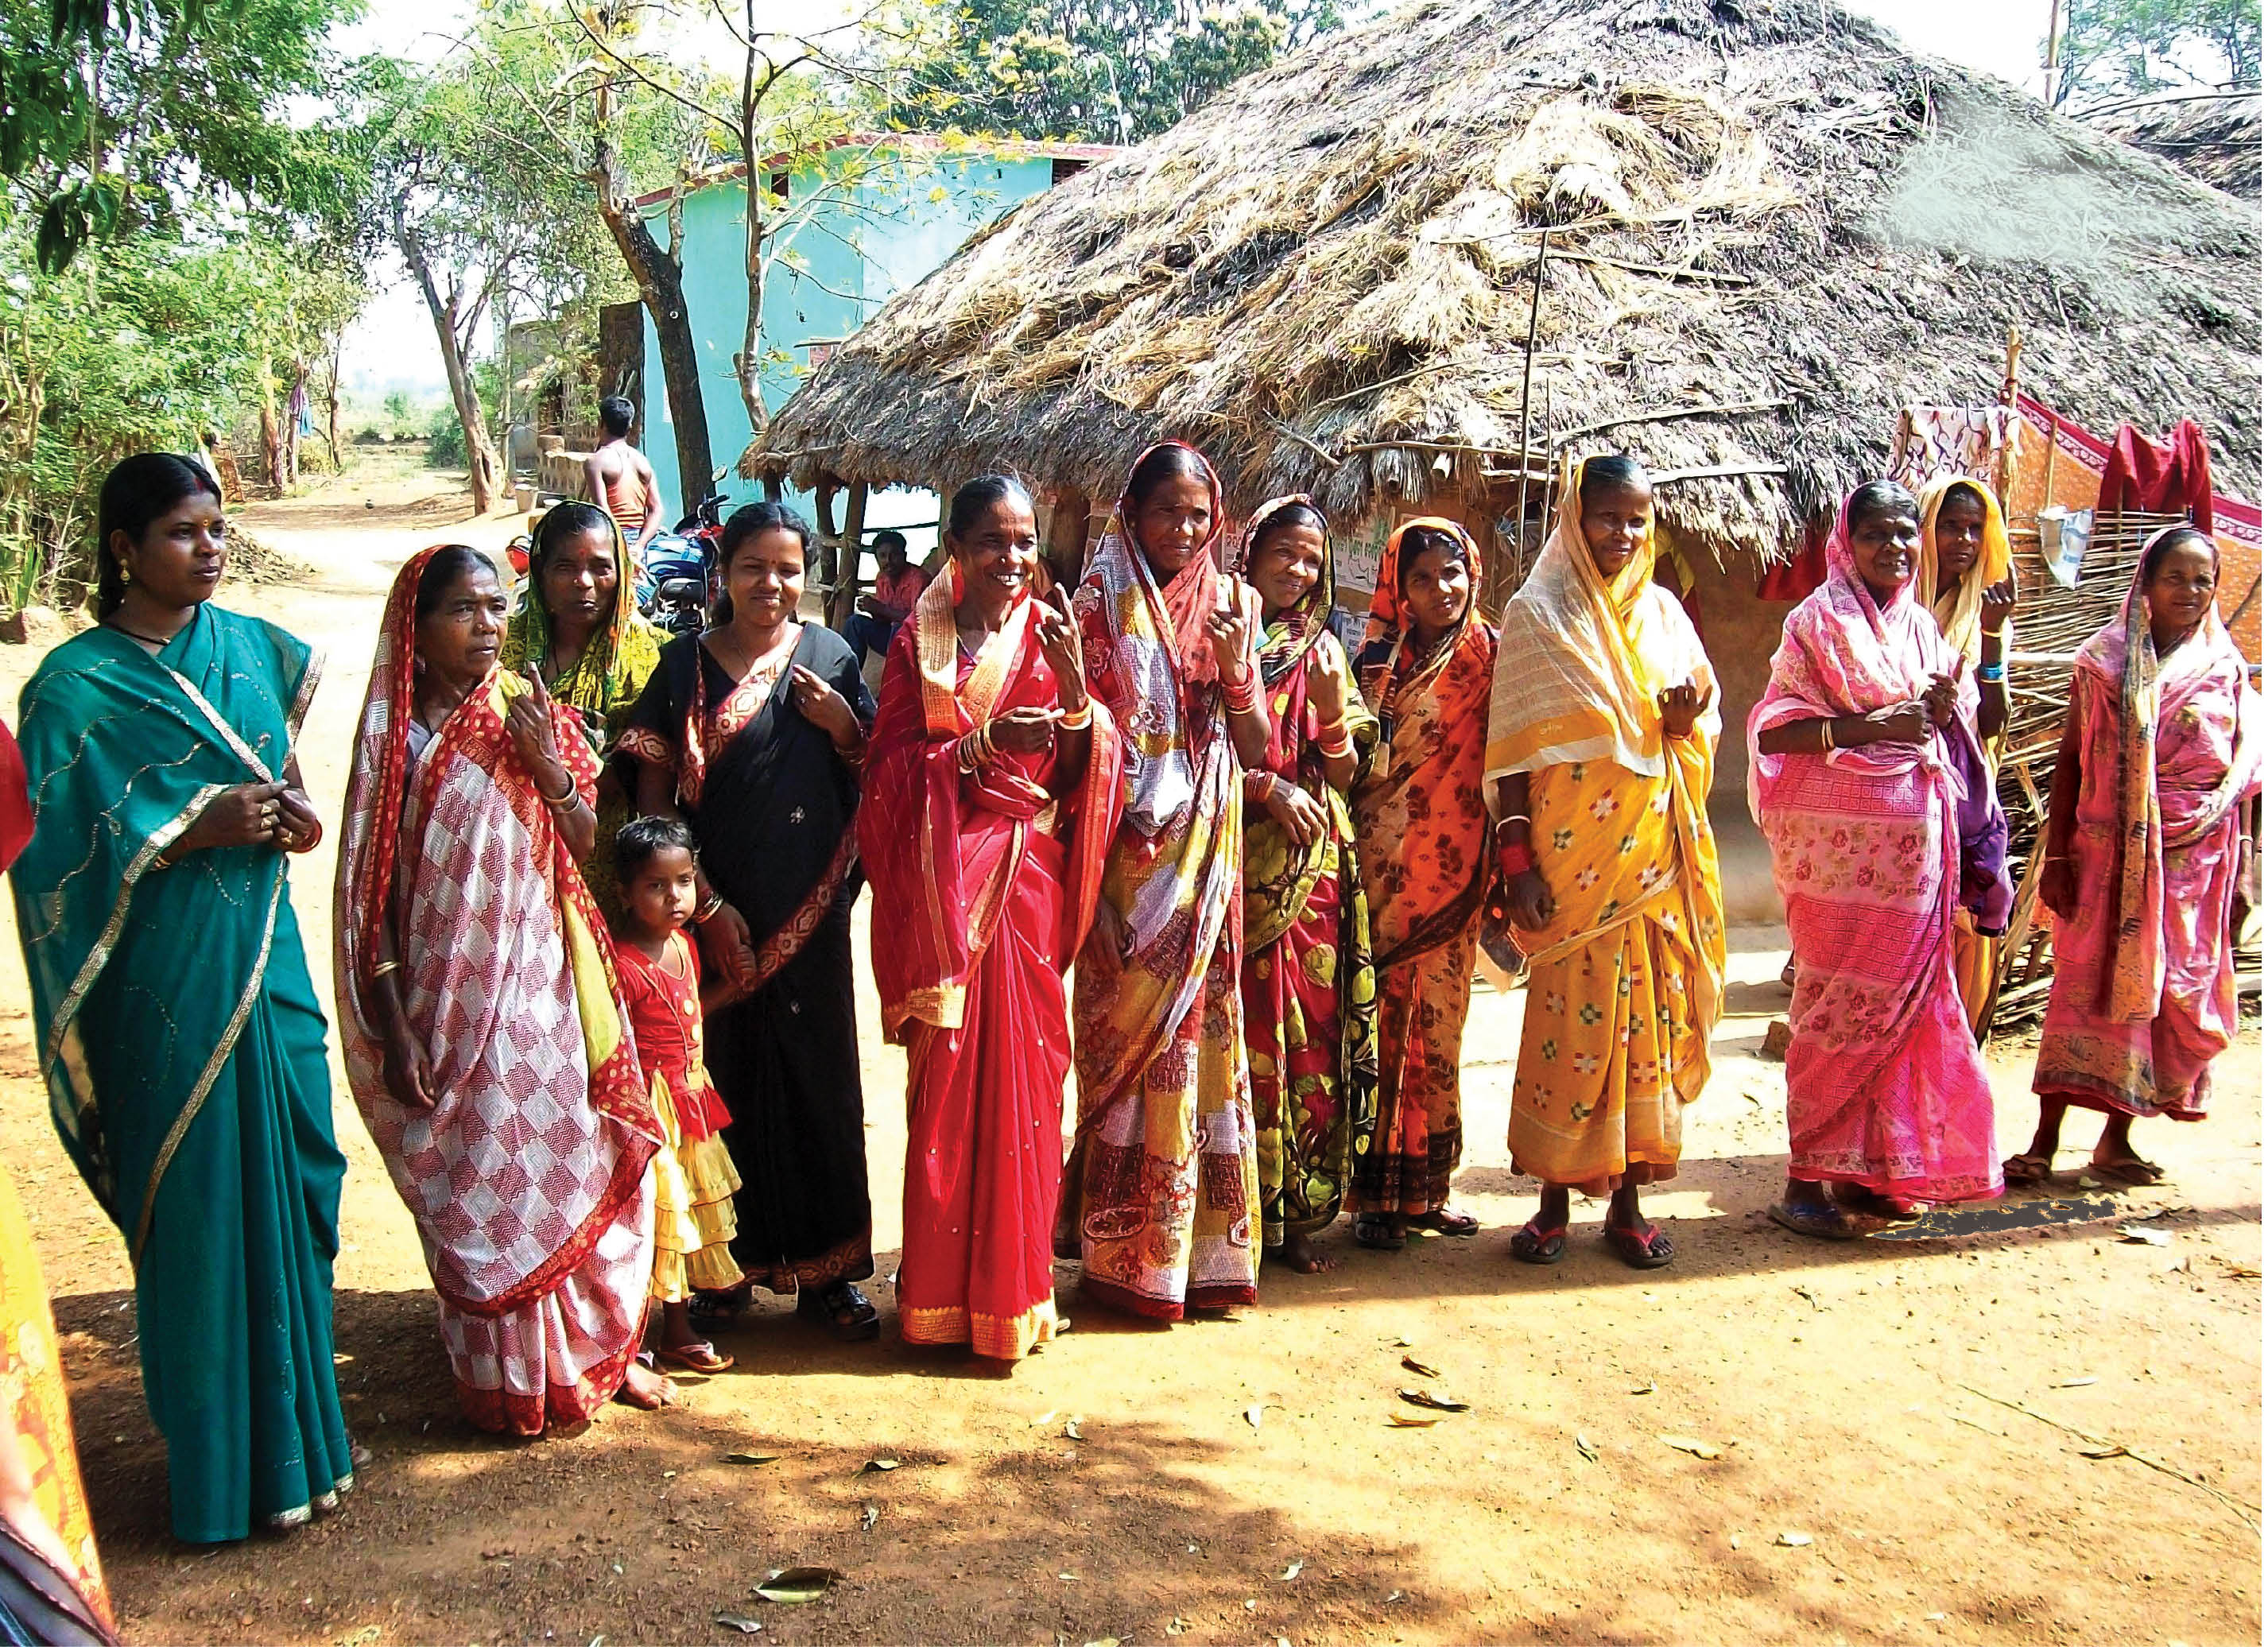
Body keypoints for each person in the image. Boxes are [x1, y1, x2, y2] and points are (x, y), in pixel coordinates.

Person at [9, 453, 355, 1542]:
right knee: (200, 1211)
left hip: (266, 958)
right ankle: (216, 1479)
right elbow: (50, 852)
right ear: (124, 547)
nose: (208, 549)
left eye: (215, 530)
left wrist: (292, 817)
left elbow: (283, 780)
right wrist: (184, 827)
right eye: (181, 533)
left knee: (295, 1175)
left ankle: (310, 1451)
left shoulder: (250, 649)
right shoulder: (71, 689)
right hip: (165, 986)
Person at [335, 544, 672, 1432]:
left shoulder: (525, 712)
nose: (486, 625)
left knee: (562, 1150)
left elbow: (584, 827)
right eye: (462, 610)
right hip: (443, 992)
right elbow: (374, 888)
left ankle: (590, 1355)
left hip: (540, 983)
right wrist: (391, 1015)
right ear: (417, 626)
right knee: (480, 1165)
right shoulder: (396, 739)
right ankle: (504, 1379)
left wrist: (545, 759)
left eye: (495, 606)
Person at [863, 476, 1125, 1361]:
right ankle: (938, 1297)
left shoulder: (1053, 638)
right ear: (957, 548)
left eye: (1023, 542)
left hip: (1028, 885)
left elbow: (1088, 765)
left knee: (1026, 1086)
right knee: (944, 1094)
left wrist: (1082, 692)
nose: (1012, 559)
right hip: (948, 902)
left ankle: (1015, 1295)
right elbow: (891, 774)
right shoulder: (918, 646)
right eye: (992, 542)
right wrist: (976, 747)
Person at [622, 503, 882, 1339]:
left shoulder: (833, 657)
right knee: (717, 1088)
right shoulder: (683, 668)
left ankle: (830, 1272)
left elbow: (880, 770)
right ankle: (720, 1273)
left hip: (811, 915)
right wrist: (708, 907)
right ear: (722, 572)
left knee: (820, 1085)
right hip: (710, 920)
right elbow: (656, 805)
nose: (770, 584)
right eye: (752, 567)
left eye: (787, 568)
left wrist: (845, 729)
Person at [1750, 481, 2010, 1237]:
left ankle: (1875, 1171)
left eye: (1904, 535)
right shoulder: (1814, 623)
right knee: (1834, 1005)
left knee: (1905, 1012)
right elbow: (1773, 731)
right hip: (1834, 865)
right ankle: (1804, 1180)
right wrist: (1866, 730)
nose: (1894, 548)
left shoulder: (1924, 630)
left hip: (1915, 859)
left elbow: (1973, 724)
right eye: (1876, 535)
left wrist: (1956, 687)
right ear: (1845, 542)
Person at [1488, 455, 1726, 1269]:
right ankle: (1552, 1200)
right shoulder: (1537, 613)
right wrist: (1517, 861)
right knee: (1565, 1025)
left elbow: (1697, 725)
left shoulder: (1664, 615)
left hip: (1649, 864)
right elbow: (1511, 756)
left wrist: (1686, 724)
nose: (1622, 534)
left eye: (1637, 519)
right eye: (1606, 517)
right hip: (1567, 864)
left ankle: (1627, 1201)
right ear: (1573, 517)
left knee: (1643, 1029)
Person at [1058, 441, 1270, 1320]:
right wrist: (1097, 894)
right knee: (1124, 1056)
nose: (1182, 531)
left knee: (1202, 1052)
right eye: (1165, 513)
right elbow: (1080, 763)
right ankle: (1118, 1255)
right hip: (1125, 871)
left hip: (1205, 859)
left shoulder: (1235, 602)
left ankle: (1197, 1257)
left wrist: (1237, 669)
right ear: (1131, 514)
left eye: (1197, 515)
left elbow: (1256, 747)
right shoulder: (1096, 603)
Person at [2012, 525, 2261, 1186]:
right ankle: (2043, 1140)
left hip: (2194, 866)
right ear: (2145, 586)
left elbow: (2246, 775)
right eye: (2174, 577)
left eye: (2202, 579)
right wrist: (2058, 858)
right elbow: (2071, 757)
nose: (2189, 590)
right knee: (2082, 990)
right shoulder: (2104, 662)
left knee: (2156, 999)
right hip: (2102, 858)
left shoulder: (2225, 669)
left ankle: (2115, 1140)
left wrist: (2243, 864)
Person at [1231, 496, 1380, 1274]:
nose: (1298, 569)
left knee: (1310, 1045)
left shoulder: (1322, 648)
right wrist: (1262, 788)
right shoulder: (1220, 641)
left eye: (1312, 559)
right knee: (1250, 1044)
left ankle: (1298, 1216)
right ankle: (1241, 1210)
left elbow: (1350, 773)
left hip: (1316, 877)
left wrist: (1326, 712)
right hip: (1235, 869)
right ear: (1251, 555)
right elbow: (1192, 755)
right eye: (1285, 552)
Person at [1348, 518, 1498, 1250]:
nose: (1440, 590)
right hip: (1382, 868)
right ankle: (1375, 1198)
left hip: (1458, 869)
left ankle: (1429, 1191)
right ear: (1398, 590)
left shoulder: (1494, 656)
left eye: (1452, 574)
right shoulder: (1376, 662)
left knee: (1440, 1028)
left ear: (1472, 573)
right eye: (1421, 579)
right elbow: (1349, 761)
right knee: (1380, 1023)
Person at [611, 816, 744, 1374]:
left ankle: (677, 1330)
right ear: (624, 892)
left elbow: (687, 1009)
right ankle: (636, 1335)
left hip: (692, 1103)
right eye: (656, 886)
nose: (674, 897)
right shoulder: (620, 963)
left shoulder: (686, 947)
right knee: (655, 1219)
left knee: (685, 1218)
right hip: (651, 1111)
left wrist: (729, 987)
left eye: (684, 881)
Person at [501, 499, 665, 920]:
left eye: (600, 567)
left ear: (622, 571)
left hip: (610, 867)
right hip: (511, 853)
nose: (584, 583)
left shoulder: (656, 656)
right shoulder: (502, 651)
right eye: (564, 568)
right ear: (538, 573)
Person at [1917, 475, 2020, 1035]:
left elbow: (1992, 723)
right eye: (1949, 525)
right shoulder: (1892, 603)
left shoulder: (1983, 608)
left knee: (1965, 915)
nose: (1962, 539)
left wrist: (1990, 638)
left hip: (1960, 801)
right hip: (1896, 795)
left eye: (1973, 528)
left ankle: (1953, 1041)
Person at [584, 395, 663, 560]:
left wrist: (621, 546)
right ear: (630, 427)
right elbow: (656, 509)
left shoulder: (595, 462)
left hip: (612, 539)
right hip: (643, 539)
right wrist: (640, 546)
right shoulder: (642, 461)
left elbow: (603, 511)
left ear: (602, 424)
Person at [842, 530, 929, 662]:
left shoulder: (919, 579)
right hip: (892, 638)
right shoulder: (882, 578)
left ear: (904, 555)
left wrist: (881, 609)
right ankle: (848, 675)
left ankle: (894, 677)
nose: (888, 561)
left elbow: (919, 622)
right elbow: (883, 620)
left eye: (894, 555)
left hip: (919, 643)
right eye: (882, 556)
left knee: (898, 627)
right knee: (855, 623)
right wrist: (872, 608)